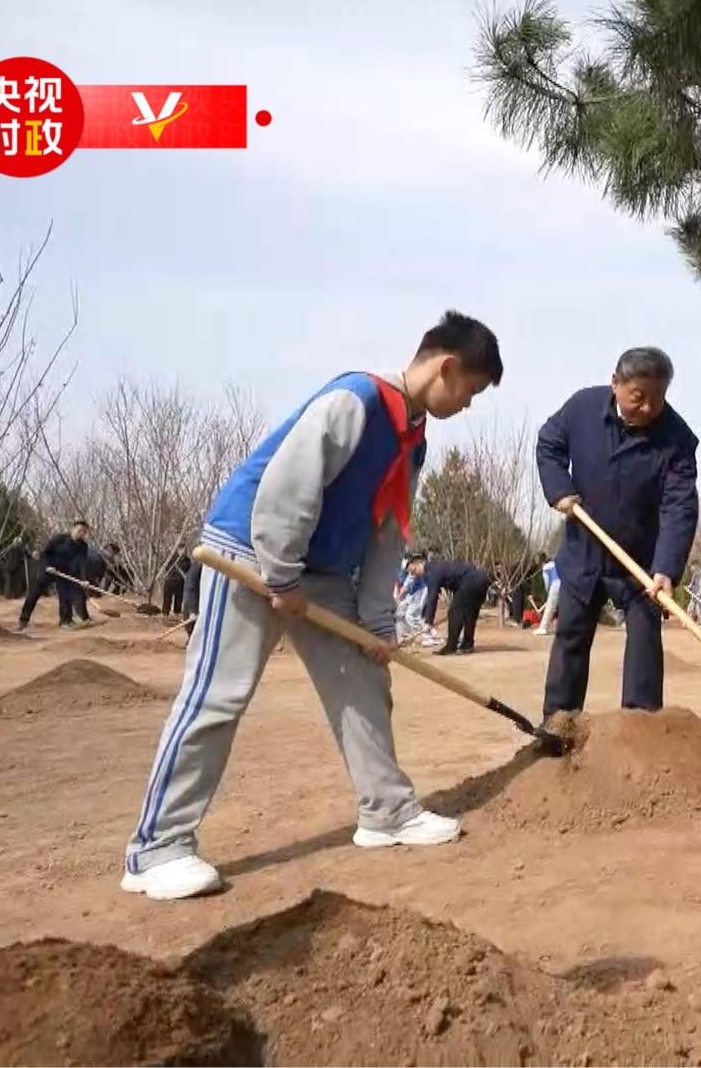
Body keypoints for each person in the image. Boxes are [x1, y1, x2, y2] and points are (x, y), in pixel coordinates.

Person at [121, 310, 502, 901]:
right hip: (250, 551)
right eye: (470, 391)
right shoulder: (356, 401)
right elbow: (287, 488)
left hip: (321, 571)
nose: (468, 405)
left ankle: (387, 812)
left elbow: (387, 533)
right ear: (447, 367)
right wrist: (280, 574)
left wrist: (377, 624)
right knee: (218, 696)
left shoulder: (413, 440)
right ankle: (156, 849)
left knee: (362, 680)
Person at [536, 346, 698, 734]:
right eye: (638, 397)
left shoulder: (677, 439)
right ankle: (558, 725)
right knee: (571, 637)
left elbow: (679, 505)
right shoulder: (581, 409)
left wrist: (666, 567)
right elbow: (549, 443)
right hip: (585, 550)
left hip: (640, 560)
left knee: (644, 639)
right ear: (615, 383)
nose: (648, 408)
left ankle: (639, 730)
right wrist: (559, 488)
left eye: (657, 399)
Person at [18, 519, 92, 630]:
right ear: (73, 529)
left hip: (64, 572)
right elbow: (45, 553)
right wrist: (48, 566)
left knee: (66, 595)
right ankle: (23, 620)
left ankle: (65, 621)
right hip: (48, 568)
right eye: (79, 530)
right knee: (34, 594)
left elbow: (82, 563)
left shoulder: (83, 546)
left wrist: (84, 579)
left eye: (84, 532)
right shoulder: (59, 539)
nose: (81, 534)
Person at [420, 556, 491, 655]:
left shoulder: (431, 572)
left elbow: (432, 597)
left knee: (454, 613)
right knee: (470, 614)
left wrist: (428, 621)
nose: (412, 573)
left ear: (418, 563)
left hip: (470, 581)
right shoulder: (439, 566)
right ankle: (467, 644)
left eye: (412, 570)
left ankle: (451, 646)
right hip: (482, 579)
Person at [395, 554, 443, 648]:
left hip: (421, 591)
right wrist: (399, 599)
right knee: (400, 611)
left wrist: (399, 597)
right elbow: (405, 585)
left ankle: (429, 635)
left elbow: (407, 585)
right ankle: (404, 634)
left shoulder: (416, 568)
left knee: (411, 616)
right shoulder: (406, 571)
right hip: (413, 593)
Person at [534, 553, 561, 635]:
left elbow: (546, 581)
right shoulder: (556, 564)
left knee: (550, 607)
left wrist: (547, 591)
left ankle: (543, 628)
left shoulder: (545, 567)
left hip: (555, 584)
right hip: (563, 584)